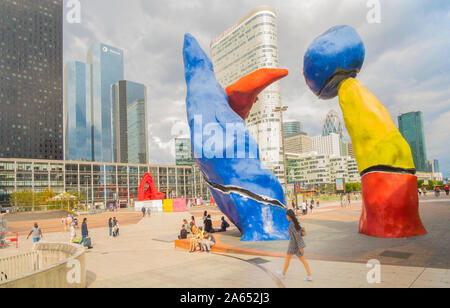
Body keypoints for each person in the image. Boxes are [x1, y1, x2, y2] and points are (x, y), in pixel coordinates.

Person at [277, 209, 312, 281]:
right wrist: (300, 247)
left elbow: (297, 236)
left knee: (287, 259)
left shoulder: (292, 224)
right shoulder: (294, 223)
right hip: (296, 245)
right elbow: (298, 235)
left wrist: (301, 247)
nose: (286, 217)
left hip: (293, 245)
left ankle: (283, 274)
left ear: (289, 216)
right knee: (302, 260)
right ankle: (309, 275)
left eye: (286, 215)